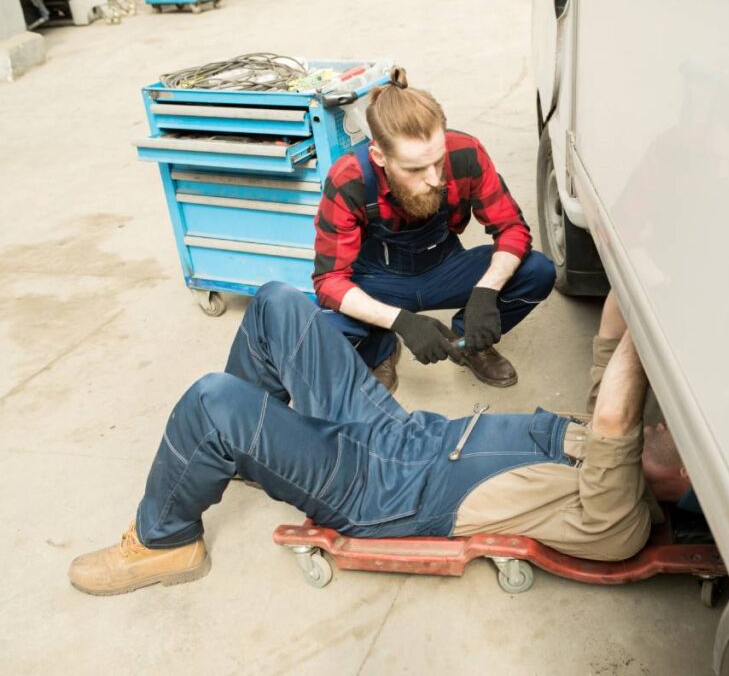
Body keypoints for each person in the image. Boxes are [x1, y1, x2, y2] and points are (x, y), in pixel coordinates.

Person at [67, 282, 690, 596]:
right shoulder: (617, 441)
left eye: (685, 444)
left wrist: (653, 326)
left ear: (688, 485)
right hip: (397, 434)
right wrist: (644, 272)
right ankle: (236, 447)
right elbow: (613, 338)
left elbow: (615, 421)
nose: (664, 423)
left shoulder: (620, 516)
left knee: (211, 400)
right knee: (278, 303)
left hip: (380, 491)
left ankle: (164, 541)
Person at [312, 67, 556, 391]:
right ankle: (380, 349)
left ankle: (468, 342)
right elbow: (329, 281)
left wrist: (486, 293)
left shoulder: (466, 153)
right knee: (323, 324)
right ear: (379, 156)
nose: (433, 178)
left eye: (438, 161)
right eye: (415, 168)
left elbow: (511, 228)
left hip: (446, 268)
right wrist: (400, 322)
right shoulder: (349, 179)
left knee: (537, 271)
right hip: (379, 280)